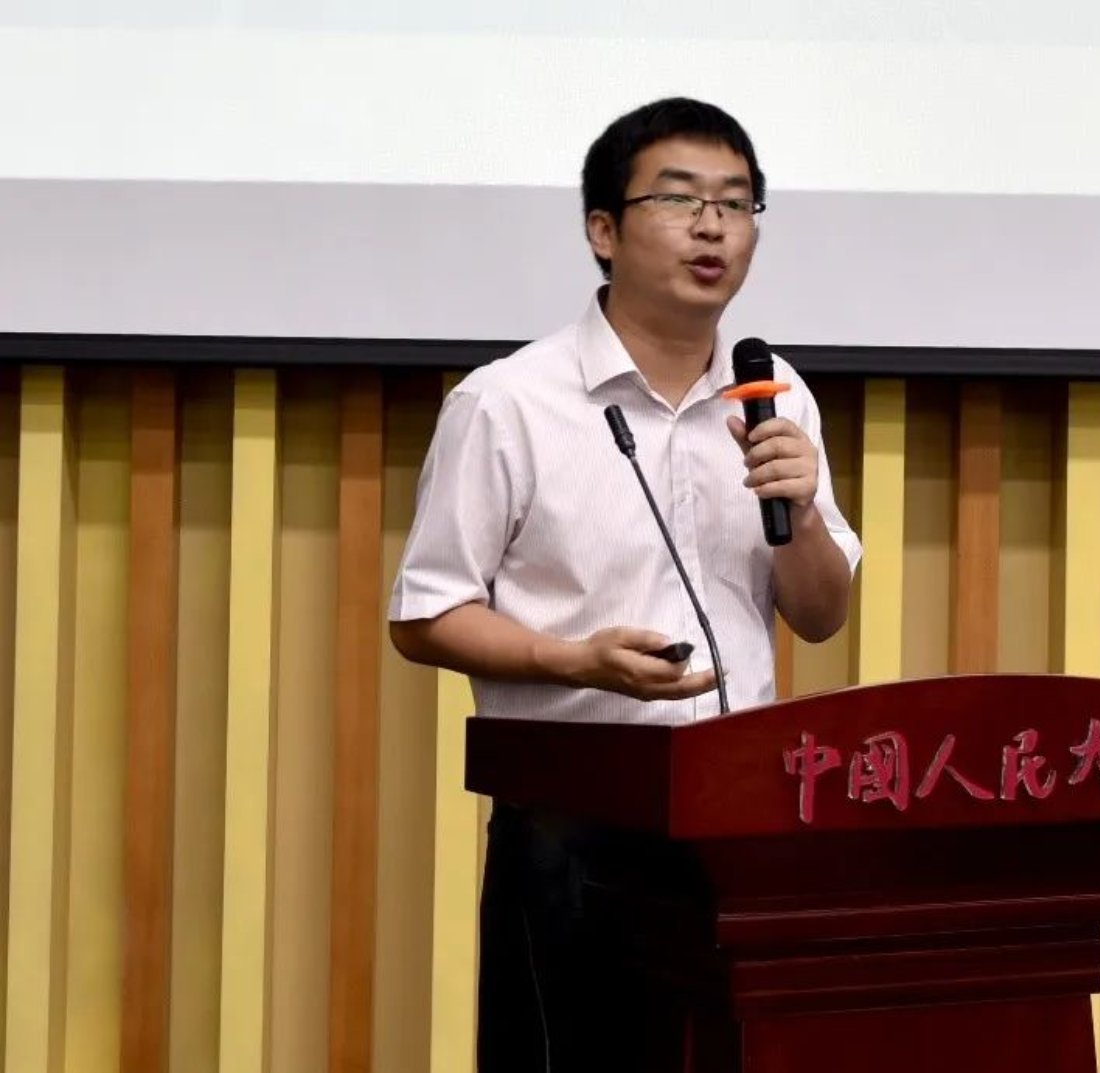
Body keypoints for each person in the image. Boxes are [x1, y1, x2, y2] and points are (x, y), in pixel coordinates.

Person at [386, 98, 861, 1072]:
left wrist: (803, 512)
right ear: (602, 230)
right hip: (573, 829)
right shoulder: (509, 402)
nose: (712, 226)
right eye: (678, 199)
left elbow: (819, 614)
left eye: (736, 203)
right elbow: (427, 613)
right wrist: (575, 661)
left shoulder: (775, 396)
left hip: (741, 823)